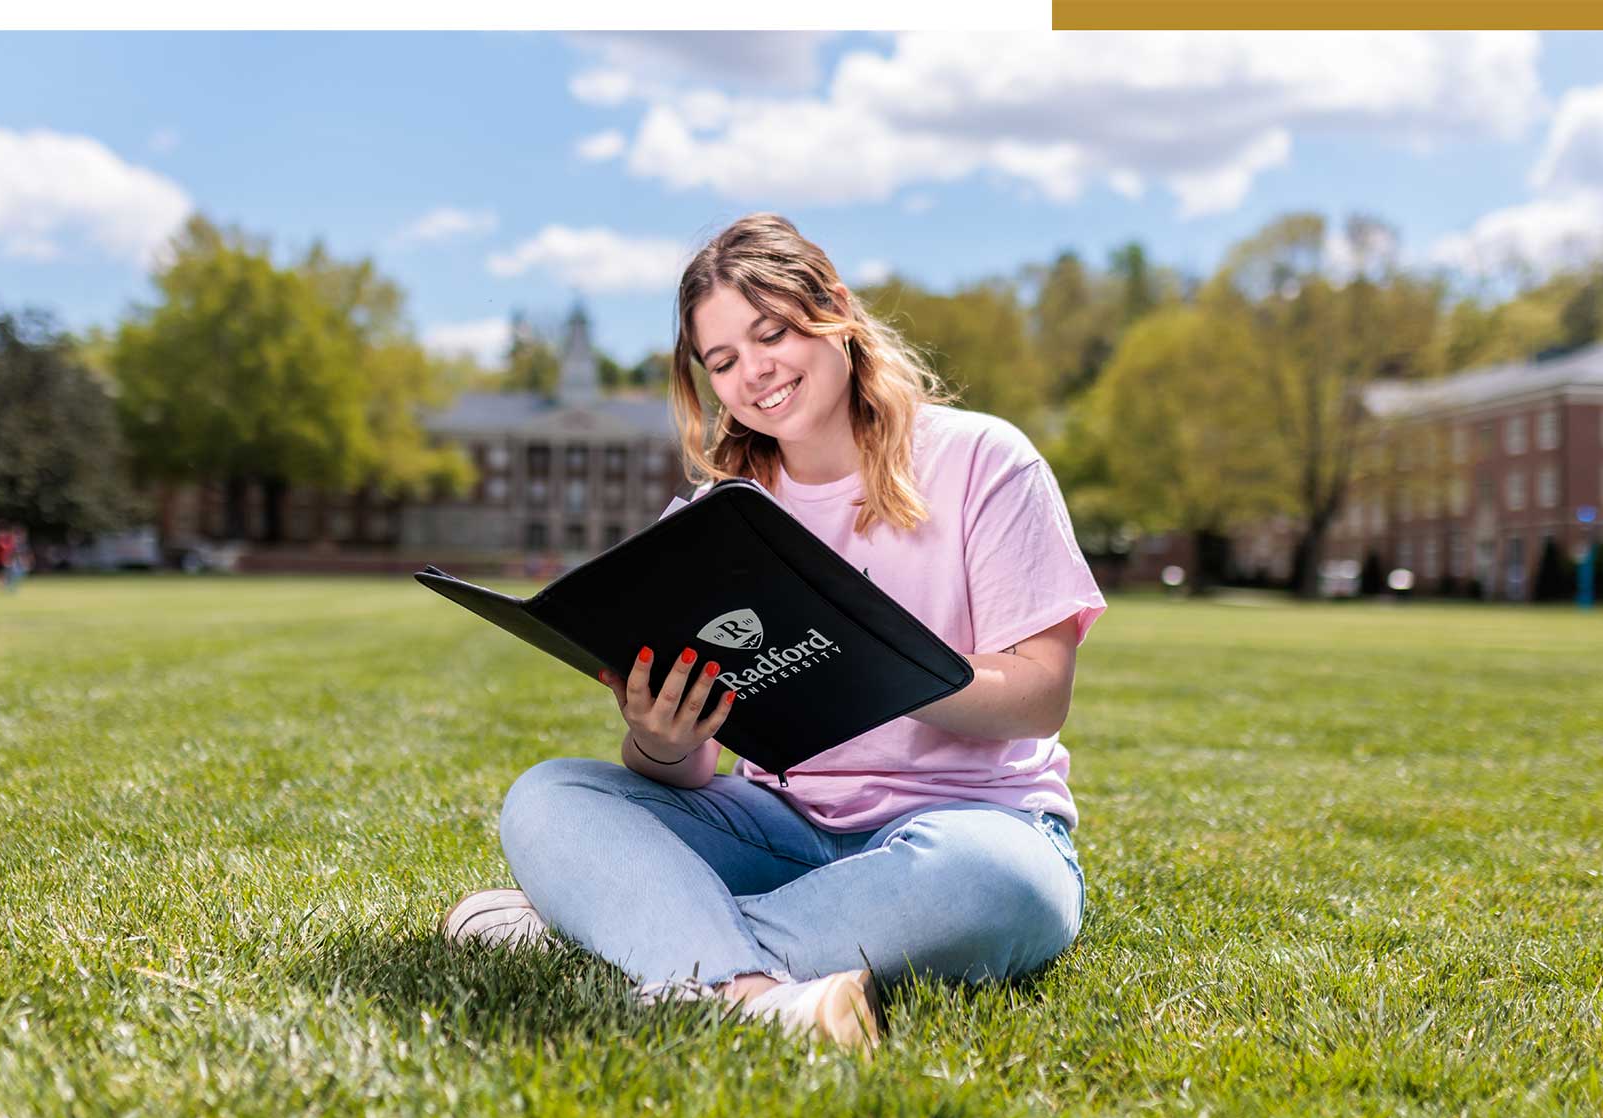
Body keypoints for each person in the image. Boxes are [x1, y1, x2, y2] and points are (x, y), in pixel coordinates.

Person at [444, 214, 1106, 1053]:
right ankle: (750, 991)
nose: (753, 372)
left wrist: (884, 663)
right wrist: (657, 737)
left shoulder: (985, 460)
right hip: (776, 828)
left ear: (832, 311)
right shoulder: (716, 523)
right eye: (722, 361)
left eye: (772, 334)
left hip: (964, 828)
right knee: (549, 798)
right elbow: (689, 772)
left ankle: (629, 936)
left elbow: (1041, 697)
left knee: (1005, 886)